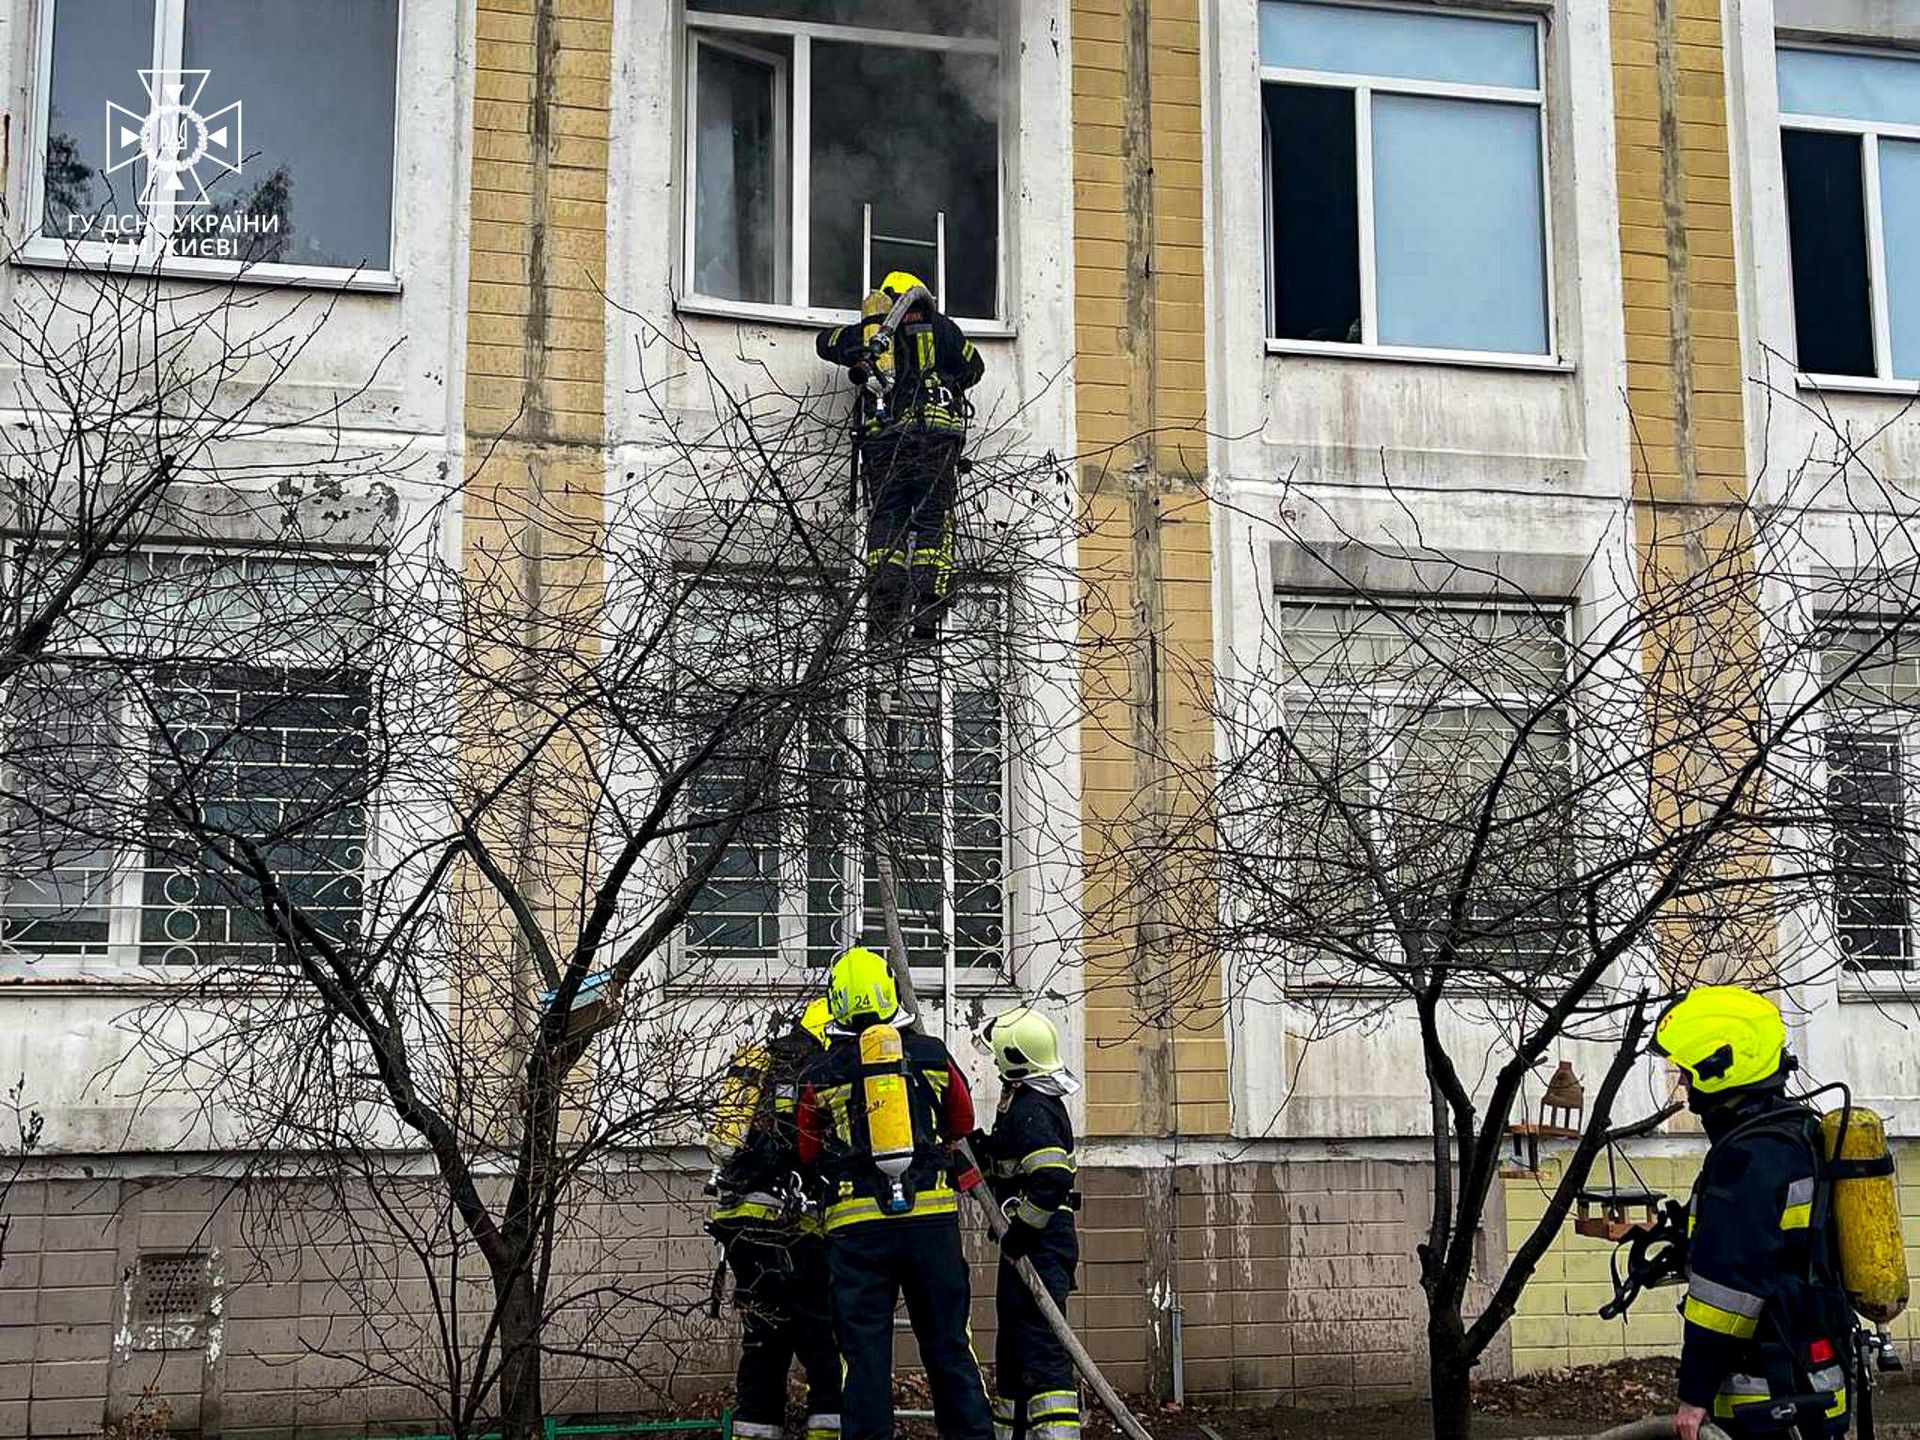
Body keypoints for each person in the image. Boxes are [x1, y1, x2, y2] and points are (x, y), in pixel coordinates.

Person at [795, 946, 993, 1440]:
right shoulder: (930, 1053)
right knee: (949, 1346)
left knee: (862, 1359)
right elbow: (963, 1120)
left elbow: (804, 1147)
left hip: (857, 1233)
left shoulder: (819, 1073)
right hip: (930, 1226)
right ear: (889, 992)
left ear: (837, 1001)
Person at [1653, 986, 1856, 1440]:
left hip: (1769, 1392)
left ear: (1720, 1067)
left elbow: (1729, 1289)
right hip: (1811, 1376)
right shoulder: (1793, 1135)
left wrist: (1694, 1395)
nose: (1684, 1085)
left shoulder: (1747, 1159)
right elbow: (1777, 1247)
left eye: (1688, 1073)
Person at [815, 272, 985, 641]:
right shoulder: (944, 329)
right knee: (932, 520)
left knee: (887, 521)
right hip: (935, 444)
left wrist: (864, 336)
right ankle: (928, 608)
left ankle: (885, 609)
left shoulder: (873, 335)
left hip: (884, 446)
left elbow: (825, 343)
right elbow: (975, 367)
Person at [708, 998, 842, 1440]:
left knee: (763, 1340)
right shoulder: (822, 1073)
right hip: (797, 1230)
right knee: (823, 1341)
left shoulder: (761, 1064)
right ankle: (829, 1430)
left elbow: (727, 1147)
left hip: (742, 1230)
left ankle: (754, 1431)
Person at [977, 1007, 1082, 1440]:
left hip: (1040, 1246)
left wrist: (1022, 1230)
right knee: (1016, 1351)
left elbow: (1052, 1178)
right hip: (1029, 1245)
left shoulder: (1033, 1109)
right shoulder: (1025, 1104)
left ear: (1014, 1058)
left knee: (1041, 1349)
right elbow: (1008, 1162)